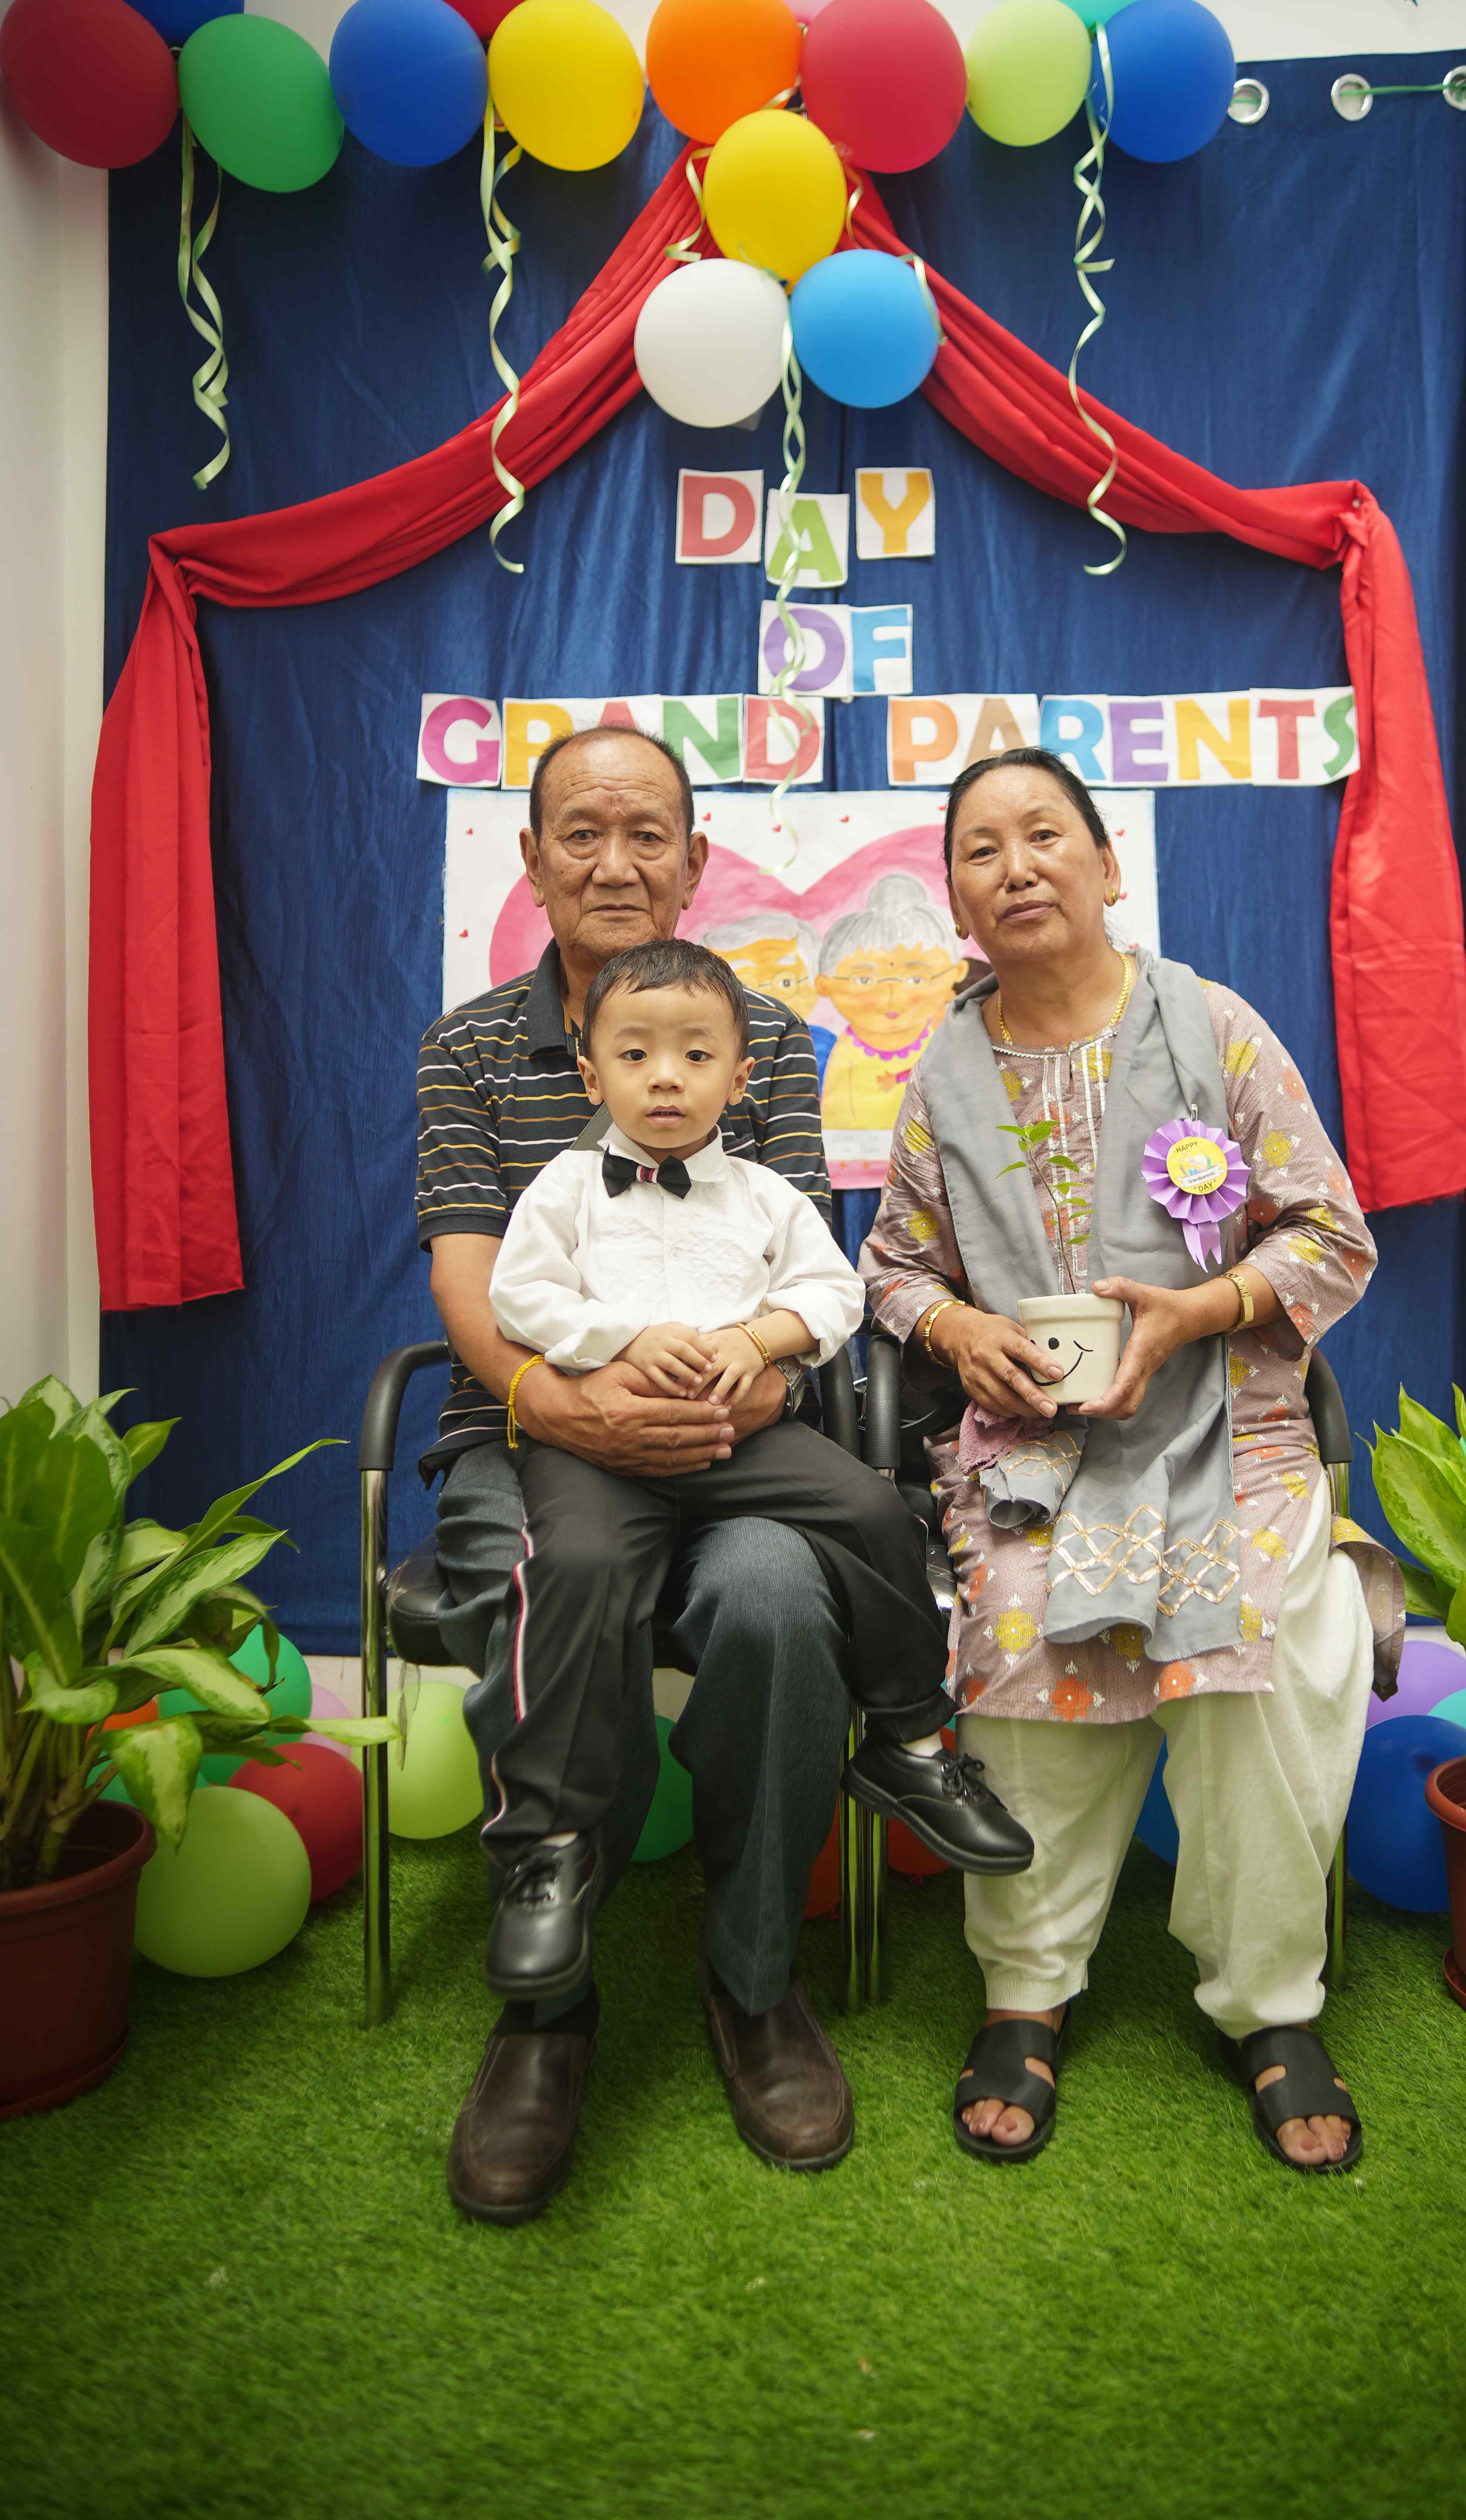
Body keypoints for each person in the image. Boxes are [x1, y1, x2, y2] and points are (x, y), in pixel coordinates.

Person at [861, 747, 1403, 2174]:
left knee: (1257, 1651)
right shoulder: (942, 1077)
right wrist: (960, 1328)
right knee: (1020, 1641)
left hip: (1231, 1425)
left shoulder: (1213, 1029)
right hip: (1034, 1444)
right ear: (957, 905)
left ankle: (1270, 1999)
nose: (1015, 866)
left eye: (1044, 834)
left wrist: (1197, 1311)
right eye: (981, 850)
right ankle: (1024, 1988)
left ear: (1107, 866)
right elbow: (892, 1269)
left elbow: (1330, 1234)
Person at [418, 725, 867, 2221]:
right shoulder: (469, 1051)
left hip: (730, 1434)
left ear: (693, 857)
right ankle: (546, 2010)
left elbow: (800, 1280)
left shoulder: (771, 1041)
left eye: (647, 833)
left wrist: (745, 1388)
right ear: (533, 858)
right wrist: (573, 1406)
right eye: (581, 832)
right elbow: (470, 1289)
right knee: (546, 1575)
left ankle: (755, 1978)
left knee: (779, 1598)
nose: (615, 862)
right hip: (528, 1432)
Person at [478, 934, 1032, 2010]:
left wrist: (759, 1337)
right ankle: (547, 1843)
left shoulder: (766, 1195)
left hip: (741, 1437)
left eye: (694, 1055)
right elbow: (520, 1297)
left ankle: (910, 1735)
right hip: (601, 1448)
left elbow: (835, 1295)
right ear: (591, 1076)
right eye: (635, 1055)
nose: (666, 1077)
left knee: (873, 1508)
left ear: (739, 1079)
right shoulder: (563, 1188)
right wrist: (622, 1340)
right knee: (574, 1569)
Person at [814, 872, 969, 1146]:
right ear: (825, 985)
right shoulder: (845, 1054)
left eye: (916, 979)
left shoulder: (944, 1040)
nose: (891, 997)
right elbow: (838, 1122)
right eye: (864, 980)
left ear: (955, 974)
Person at [704, 911, 836, 1089]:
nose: (766, 998)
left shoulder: (824, 1048)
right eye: (745, 987)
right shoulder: (710, 1049)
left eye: (786, 983)